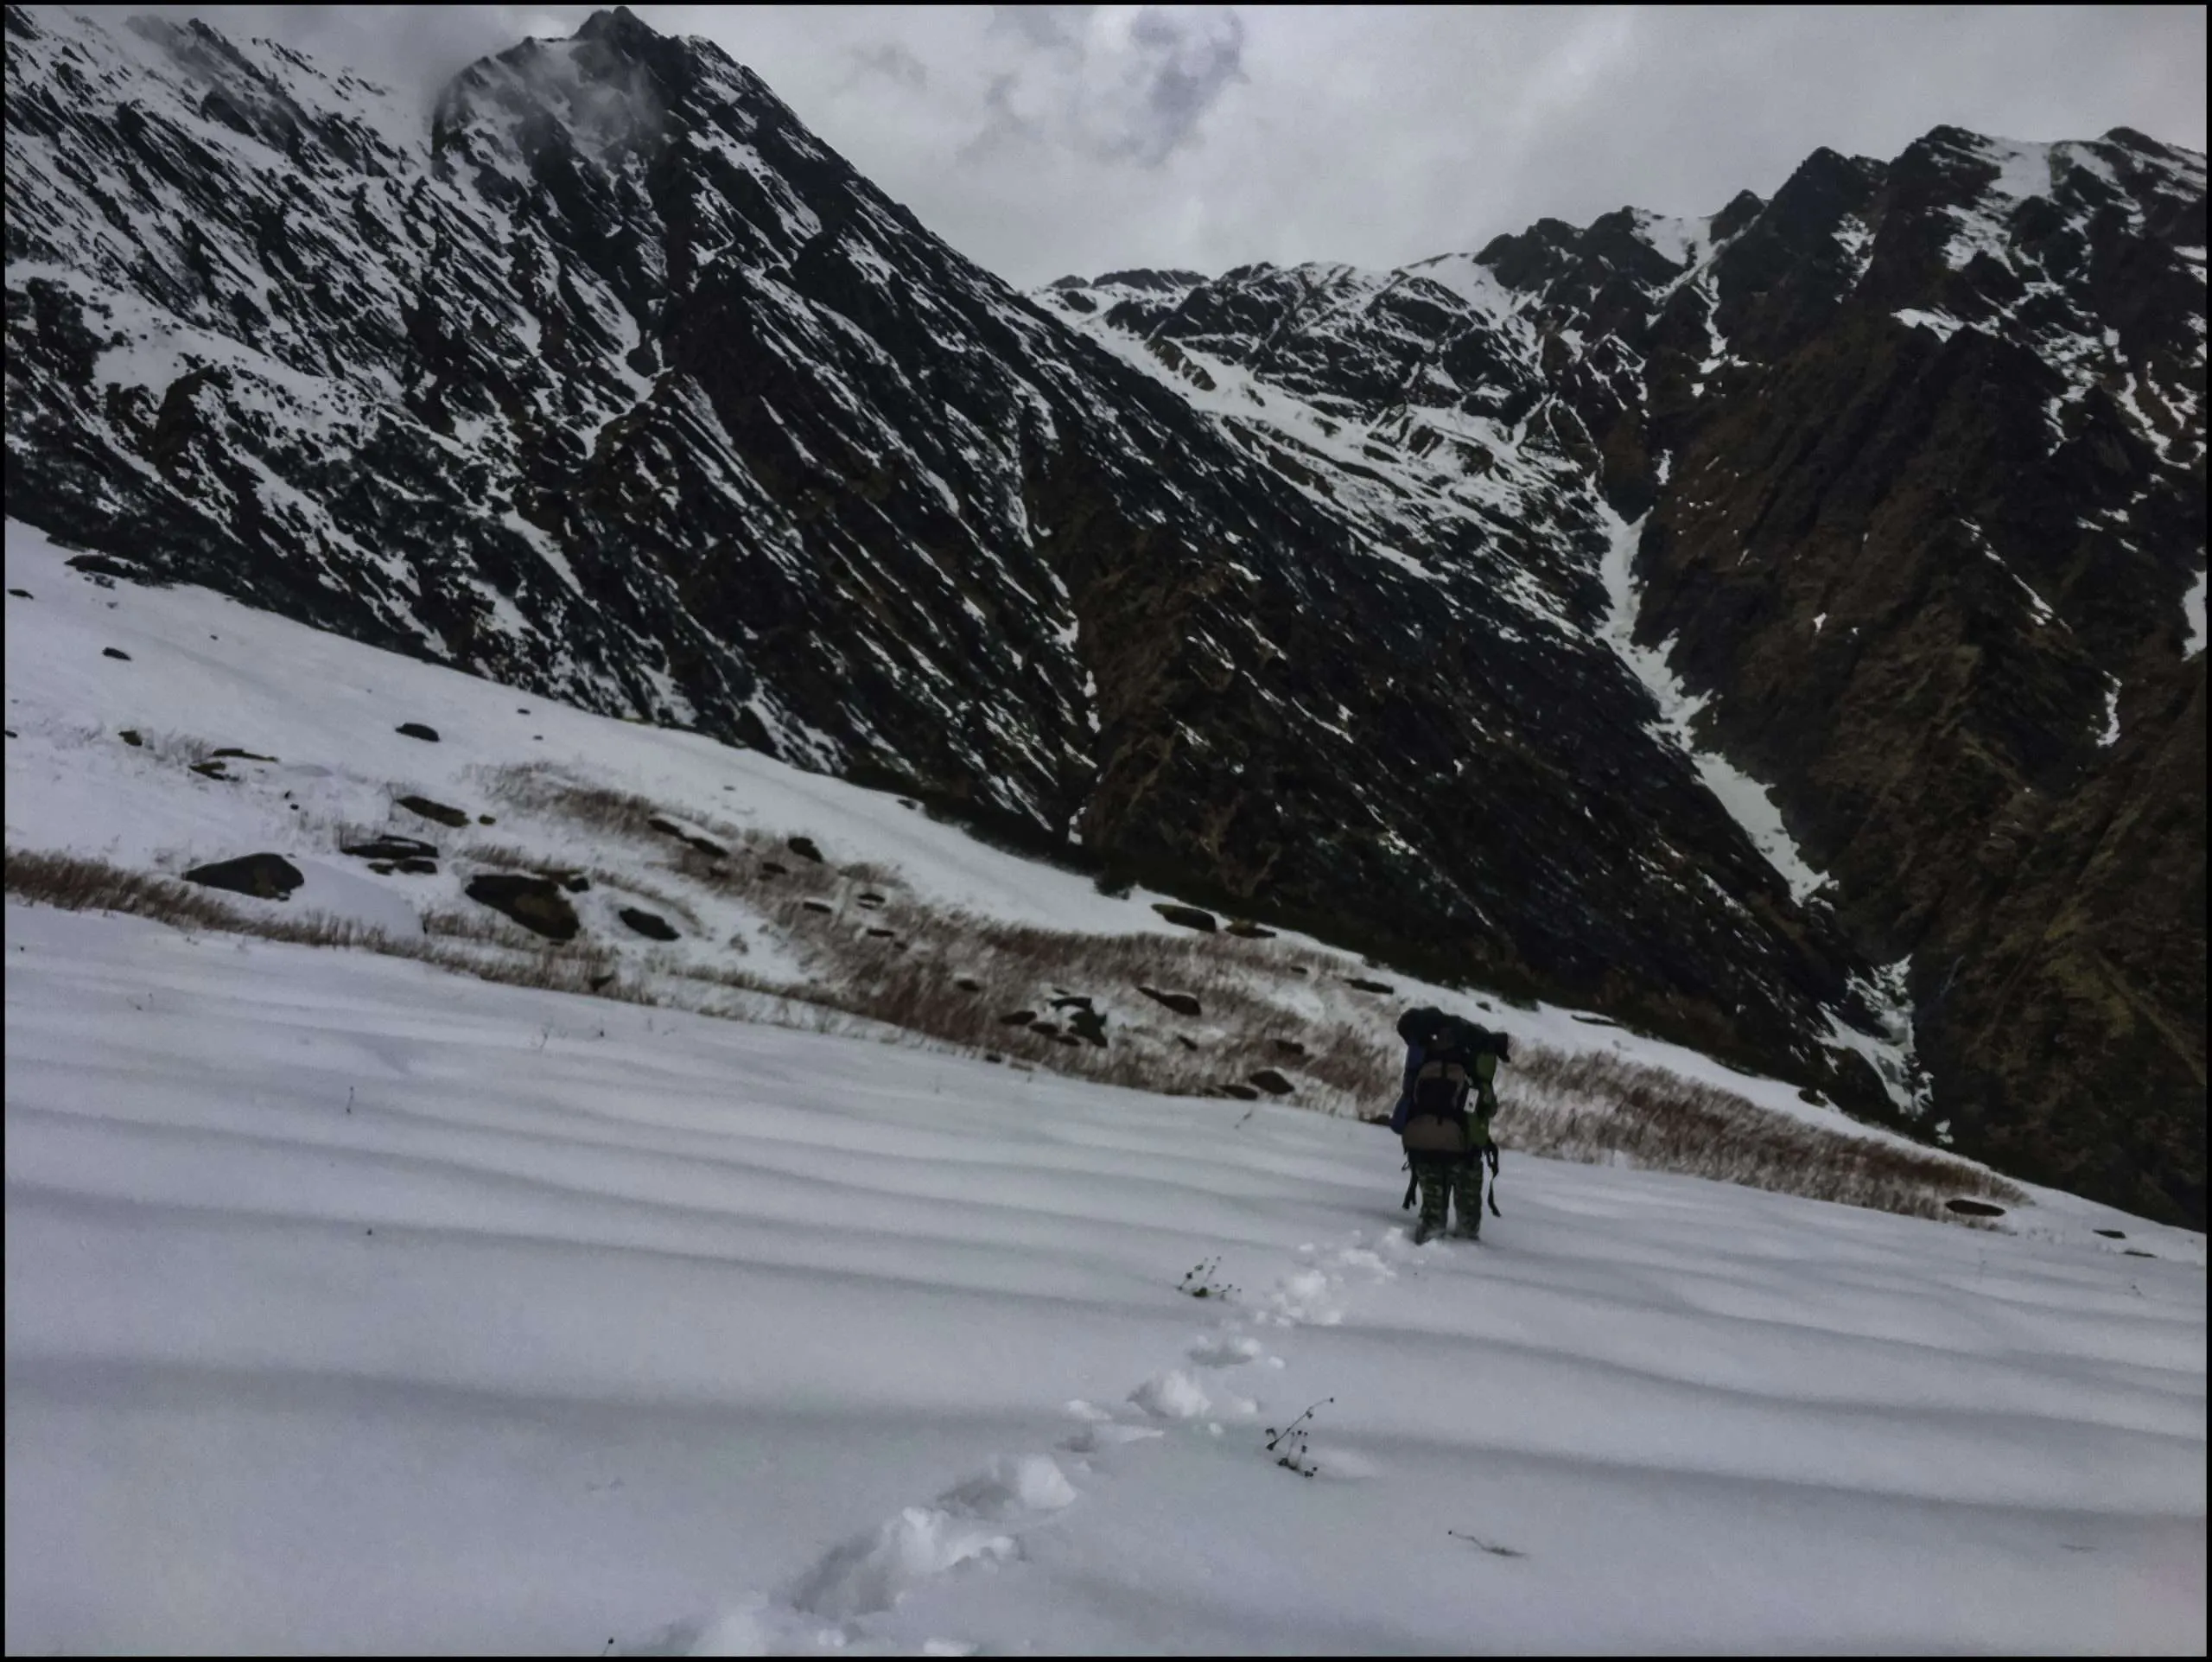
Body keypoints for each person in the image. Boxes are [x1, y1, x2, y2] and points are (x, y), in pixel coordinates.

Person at [1389, 1005, 1503, 1243]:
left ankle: (1430, 1234)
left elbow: (1410, 1093)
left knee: (1433, 1213)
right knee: (1467, 1220)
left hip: (1422, 1144)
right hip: (1463, 1148)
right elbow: (1488, 1107)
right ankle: (1466, 1251)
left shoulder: (1423, 1055)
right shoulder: (1472, 1062)